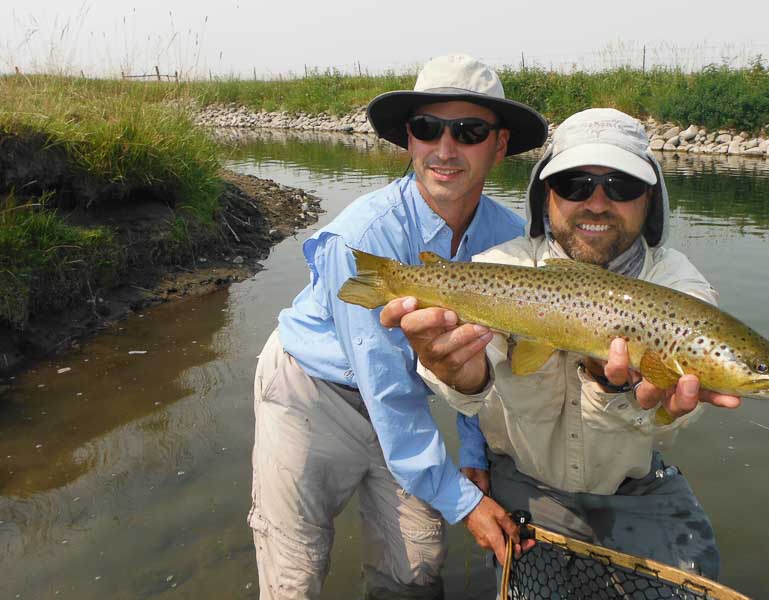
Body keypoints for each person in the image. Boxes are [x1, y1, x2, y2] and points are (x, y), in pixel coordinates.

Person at [380, 108, 743, 583]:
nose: (596, 202)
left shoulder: (677, 287)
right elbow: (469, 388)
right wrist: (461, 375)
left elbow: (678, 410)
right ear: (545, 194)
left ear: (649, 198)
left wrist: (632, 395)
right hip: (523, 489)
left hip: (632, 492)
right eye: (574, 184)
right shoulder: (498, 269)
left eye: (621, 185)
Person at [249, 54, 548, 599]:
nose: (445, 148)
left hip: (407, 396)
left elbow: (484, 362)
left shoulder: (508, 240)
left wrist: (475, 456)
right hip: (309, 396)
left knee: (417, 564)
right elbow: (383, 384)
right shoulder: (360, 239)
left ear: (500, 145)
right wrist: (466, 502)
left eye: (470, 131)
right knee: (295, 575)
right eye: (427, 128)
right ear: (409, 139)